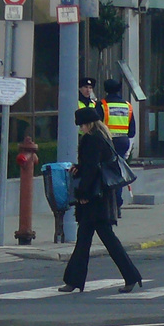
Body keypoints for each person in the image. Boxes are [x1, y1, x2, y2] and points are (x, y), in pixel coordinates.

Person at [60, 106, 143, 294]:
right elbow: (94, 166)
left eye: (82, 125)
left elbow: (92, 170)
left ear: (88, 124)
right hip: (101, 197)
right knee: (86, 241)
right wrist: (78, 169)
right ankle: (74, 281)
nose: (81, 128)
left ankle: (75, 281)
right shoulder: (103, 138)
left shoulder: (92, 140)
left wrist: (82, 194)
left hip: (94, 198)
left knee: (99, 241)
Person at [101, 78, 135, 159]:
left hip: (107, 141)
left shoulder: (102, 104)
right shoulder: (127, 105)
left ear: (105, 89)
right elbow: (132, 131)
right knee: (120, 165)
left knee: (107, 166)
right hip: (123, 141)